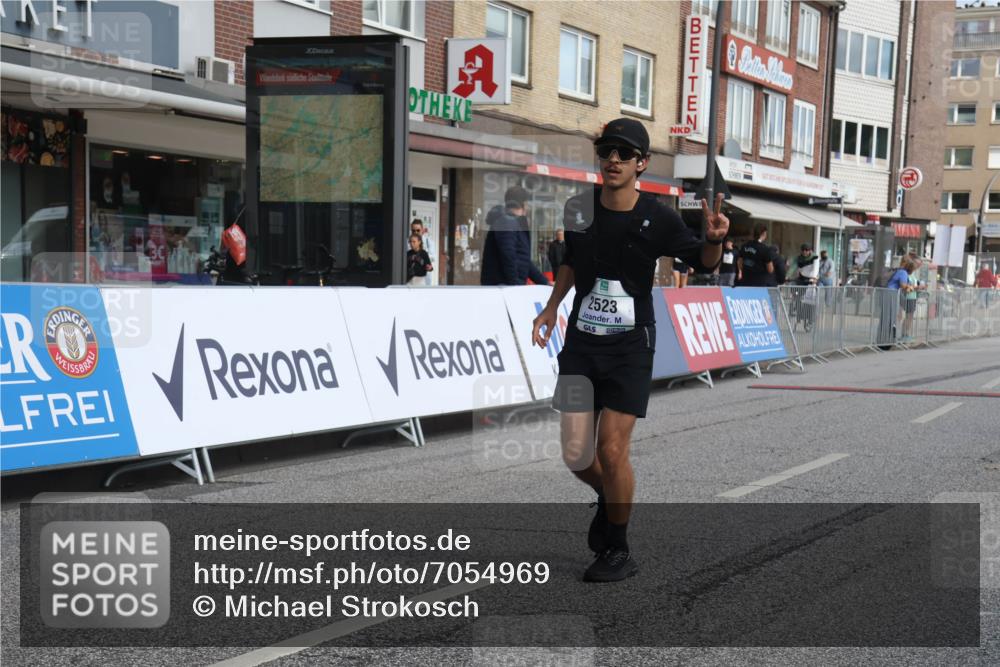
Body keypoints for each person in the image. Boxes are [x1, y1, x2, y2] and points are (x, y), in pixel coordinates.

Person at [531, 118, 728, 582]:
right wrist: (551, 308)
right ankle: (611, 499)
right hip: (581, 345)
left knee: (612, 449)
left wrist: (716, 239)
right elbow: (571, 264)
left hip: (629, 348)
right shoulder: (578, 207)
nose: (613, 160)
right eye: (607, 152)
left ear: (641, 163)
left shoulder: (659, 216)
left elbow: (701, 262)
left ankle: (617, 549)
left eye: (624, 153)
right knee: (577, 454)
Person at [481, 185, 549, 286]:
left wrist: (545, 282)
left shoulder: (513, 222)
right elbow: (508, 256)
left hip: (509, 287)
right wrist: (516, 285)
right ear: (523, 204)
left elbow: (523, 261)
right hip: (504, 288)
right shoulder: (507, 222)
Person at [793, 244, 820, 331]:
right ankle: (798, 317)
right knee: (797, 299)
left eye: (806, 250)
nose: (804, 252)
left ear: (810, 251)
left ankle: (810, 321)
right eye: (803, 250)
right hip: (801, 281)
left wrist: (814, 277)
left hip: (811, 281)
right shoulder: (799, 258)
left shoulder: (815, 258)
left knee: (810, 303)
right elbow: (794, 268)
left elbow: (815, 269)